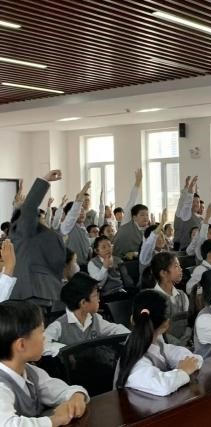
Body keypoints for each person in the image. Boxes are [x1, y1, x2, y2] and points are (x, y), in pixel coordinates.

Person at [0, 300, 89, 426]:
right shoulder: (2, 385)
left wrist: (76, 397)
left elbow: (61, 390)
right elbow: (8, 424)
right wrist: (56, 419)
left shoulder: (30, 371)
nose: (44, 337)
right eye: (41, 332)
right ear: (21, 345)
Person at [114, 290, 203, 396]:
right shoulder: (134, 358)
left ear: (132, 319)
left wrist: (184, 368)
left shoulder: (157, 345)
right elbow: (163, 387)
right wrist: (182, 371)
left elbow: (193, 358)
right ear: (166, 325)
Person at [10, 170, 67, 303]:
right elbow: (29, 209)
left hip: (45, 290)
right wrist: (44, 180)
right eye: (39, 216)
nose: (42, 218)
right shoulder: (25, 231)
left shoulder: (40, 235)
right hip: (32, 291)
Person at [43, 273, 130, 356]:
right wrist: (66, 350)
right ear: (83, 302)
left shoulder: (95, 318)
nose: (99, 299)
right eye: (95, 295)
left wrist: (133, 339)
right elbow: (43, 344)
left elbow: (114, 330)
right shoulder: (59, 325)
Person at [150, 252, 191, 346]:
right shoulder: (153, 299)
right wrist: (180, 345)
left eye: (179, 266)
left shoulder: (182, 295)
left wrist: (185, 341)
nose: (181, 269)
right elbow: (159, 332)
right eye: (176, 266)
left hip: (185, 344)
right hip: (165, 347)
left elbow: (188, 321)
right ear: (163, 273)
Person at [112, 169, 146, 259]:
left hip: (133, 261)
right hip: (116, 259)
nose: (146, 217)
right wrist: (138, 182)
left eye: (147, 215)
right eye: (142, 215)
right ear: (134, 217)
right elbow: (132, 200)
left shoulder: (146, 231)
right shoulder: (127, 222)